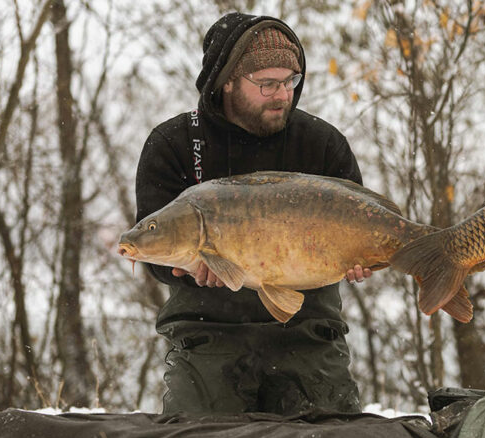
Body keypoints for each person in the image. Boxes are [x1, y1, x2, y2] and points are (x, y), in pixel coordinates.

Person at [134, 12, 362, 415]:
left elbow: (361, 229)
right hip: (208, 332)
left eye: (290, 81)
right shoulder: (173, 144)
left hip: (307, 329)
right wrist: (185, 270)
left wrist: (362, 259)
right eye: (267, 84)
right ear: (227, 82)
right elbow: (154, 251)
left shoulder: (322, 144)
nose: (282, 95)